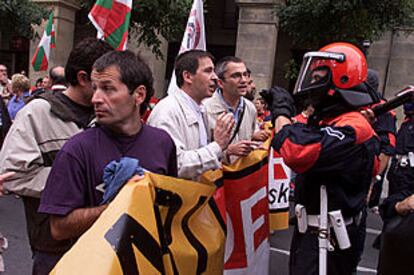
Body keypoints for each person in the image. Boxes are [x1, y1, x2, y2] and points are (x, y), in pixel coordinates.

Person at [38, 50, 177, 249]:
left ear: (139, 94)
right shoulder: (76, 150)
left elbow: (170, 209)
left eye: (107, 89)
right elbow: (59, 228)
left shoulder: (162, 143)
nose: (96, 98)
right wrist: (118, 207)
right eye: (95, 88)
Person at [262, 42, 380, 275]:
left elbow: (296, 150)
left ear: (341, 81)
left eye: (317, 78)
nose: (311, 84)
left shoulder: (353, 127)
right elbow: (309, 133)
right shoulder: (340, 121)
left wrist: (282, 114)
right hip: (317, 234)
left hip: (326, 239)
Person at [0, 37, 113, 275]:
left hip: (103, 243)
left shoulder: (109, 116)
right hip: (54, 247)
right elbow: (12, 174)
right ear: (83, 78)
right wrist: (78, 182)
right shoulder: (38, 113)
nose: (110, 90)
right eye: (104, 83)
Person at [148, 49, 234, 180]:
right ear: (187, 76)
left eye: (214, 71)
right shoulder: (167, 111)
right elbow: (176, 165)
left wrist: (225, 151)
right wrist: (217, 146)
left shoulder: (201, 109)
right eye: (207, 71)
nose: (215, 77)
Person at [204, 56, 270, 163]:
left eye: (245, 75)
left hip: (241, 175)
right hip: (214, 176)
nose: (243, 80)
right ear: (220, 83)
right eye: (236, 76)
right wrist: (227, 151)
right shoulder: (206, 109)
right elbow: (199, 149)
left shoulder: (250, 108)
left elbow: (251, 136)